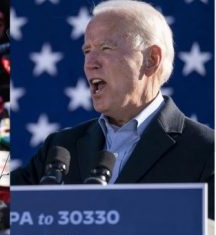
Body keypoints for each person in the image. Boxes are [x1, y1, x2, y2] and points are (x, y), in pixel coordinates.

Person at [11, 0, 214, 219]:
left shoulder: (206, 152)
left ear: (151, 60)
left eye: (105, 48)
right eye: (87, 50)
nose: (90, 63)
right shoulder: (60, 148)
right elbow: (2, 206)